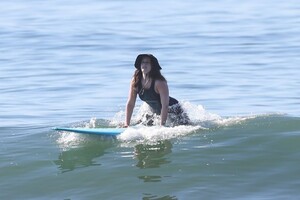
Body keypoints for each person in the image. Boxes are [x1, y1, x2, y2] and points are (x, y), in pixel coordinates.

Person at [124, 54, 189, 127]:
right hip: (155, 110)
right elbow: (130, 103)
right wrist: (127, 124)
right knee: (140, 124)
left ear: (153, 66)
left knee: (186, 127)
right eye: (142, 62)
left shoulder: (159, 82)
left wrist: (162, 126)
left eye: (147, 62)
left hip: (173, 110)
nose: (144, 64)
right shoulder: (135, 81)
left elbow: (165, 105)